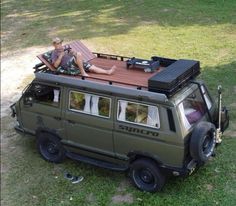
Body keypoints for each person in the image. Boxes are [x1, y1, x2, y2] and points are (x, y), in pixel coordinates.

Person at [51, 37, 116, 77]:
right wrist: (61, 56)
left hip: (74, 61)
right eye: (58, 43)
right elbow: (55, 66)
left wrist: (72, 52)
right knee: (79, 54)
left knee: (91, 67)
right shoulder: (54, 53)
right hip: (68, 65)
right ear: (54, 45)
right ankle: (83, 73)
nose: (60, 44)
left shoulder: (64, 48)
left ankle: (107, 72)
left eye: (60, 43)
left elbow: (72, 54)